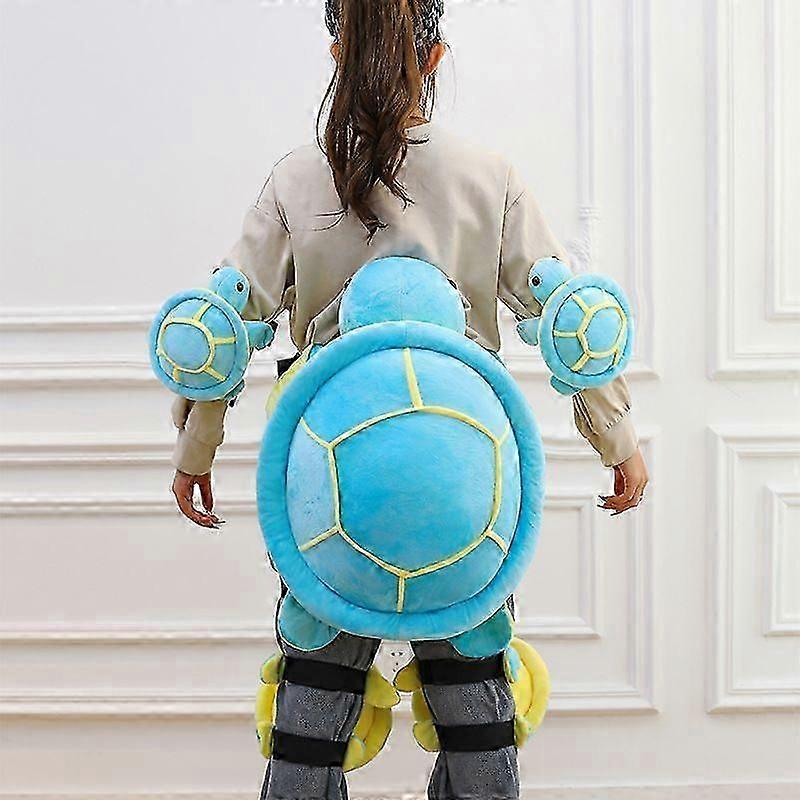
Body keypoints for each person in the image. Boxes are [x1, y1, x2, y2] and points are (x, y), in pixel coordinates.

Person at [167, 1, 649, 797]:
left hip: (331, 495)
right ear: (435, 57)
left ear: (336, 52)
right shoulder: (489, 177)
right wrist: (618, 440)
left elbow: (220, 326)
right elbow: (570, 319)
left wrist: (196, 451)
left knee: (311, 715)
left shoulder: (297, 178)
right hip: (461, 491)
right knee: (475, 714)